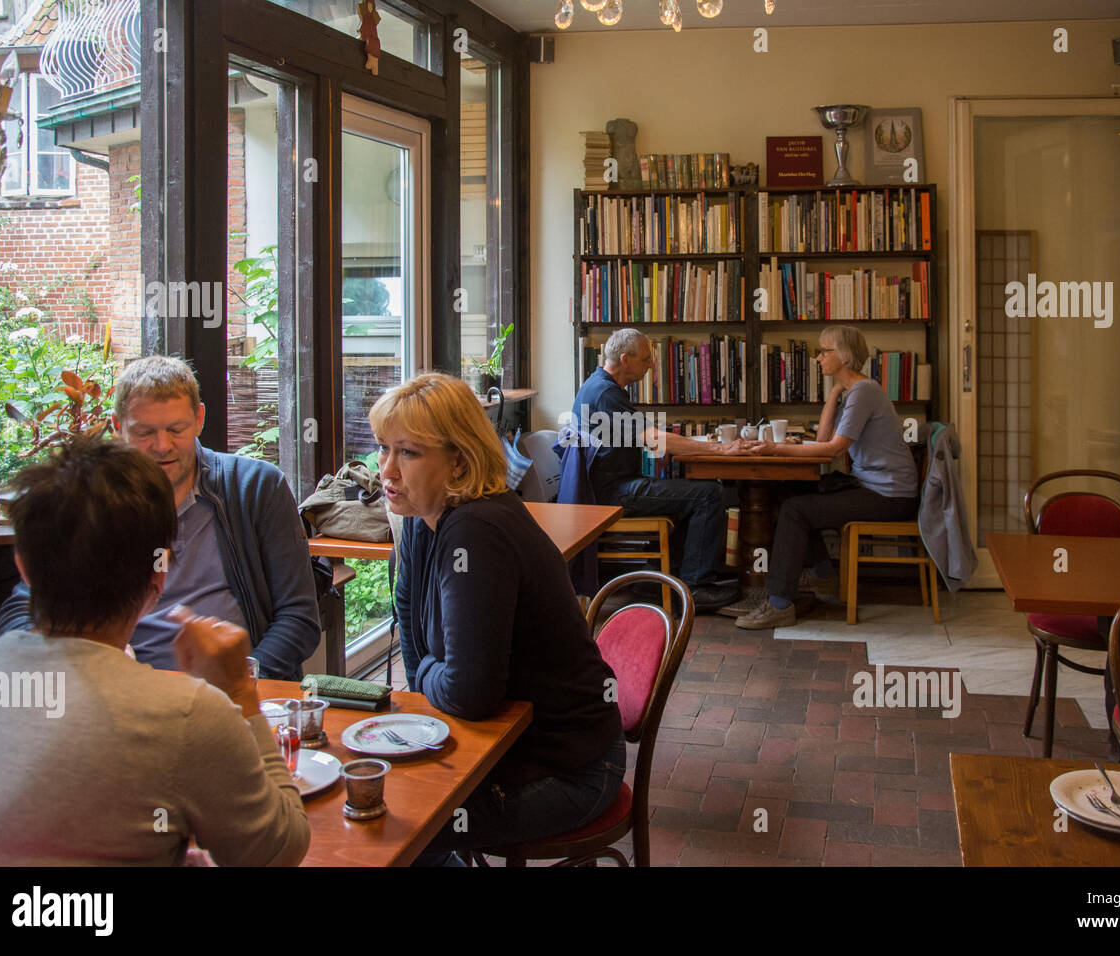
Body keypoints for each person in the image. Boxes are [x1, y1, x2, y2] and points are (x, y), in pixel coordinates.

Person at [0, 437, 310, 865]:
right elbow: (278, 851)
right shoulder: (188, 714)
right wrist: (239, 692)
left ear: (23, 568)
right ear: (159, 576)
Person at [377, 373, 625, 862]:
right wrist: (430, 672)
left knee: (385, 826)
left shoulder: (476, 531)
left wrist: (425, 671)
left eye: (408, 453)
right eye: (383, 448)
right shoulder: (429, 518)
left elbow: (469, 695)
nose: (386, 470)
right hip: (510, 748)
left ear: (459, 460)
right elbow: (409, 614)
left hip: (569, 771)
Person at [0, 356, 320, 680]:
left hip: (233, 689)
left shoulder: (255, 487)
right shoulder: (98, 502)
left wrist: (241, 679)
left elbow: (298, 618)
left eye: (177, 429)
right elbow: (20, 608)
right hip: (122, 694)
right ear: (118, 428)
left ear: (199, 419)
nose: (163, 446)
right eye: (145, 432)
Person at [736, 325, 920, 629]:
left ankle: (780, 604)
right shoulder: (854, 390)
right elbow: (823, 438)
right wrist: (835, 389)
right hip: (875, 487)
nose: (818, 357)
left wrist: (776, 449)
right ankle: (824, 576)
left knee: (796, 510)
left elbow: (833, 450)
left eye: (825, 351)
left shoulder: (864, 391)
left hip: (889, 496)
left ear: (844, 356)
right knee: (788, 494)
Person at [569, 328, 739, 610]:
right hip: (614, 493)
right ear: (625, 360)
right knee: (709, 495)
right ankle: (694, 587)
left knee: (693, 494)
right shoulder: (605, 394)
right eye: (646, 359)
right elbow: (652, 438)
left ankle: (662, 577)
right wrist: (719, 448)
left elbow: (645, 435)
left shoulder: (600, 386)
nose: (651, 365)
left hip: (609, 485)